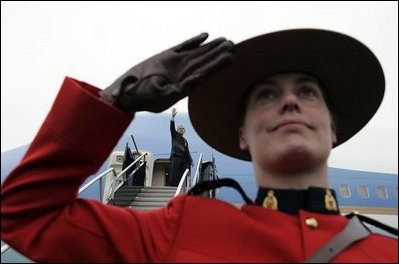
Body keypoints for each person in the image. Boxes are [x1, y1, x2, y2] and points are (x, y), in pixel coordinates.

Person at [0, 30, 397, 263]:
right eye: (266, 96)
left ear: (332, 130)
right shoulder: (180, 227)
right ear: (241, 135)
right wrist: (115, 102)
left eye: (307, 92)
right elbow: (25, 216)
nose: (289, 101)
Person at [168, 107, 193, 186]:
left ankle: (181, 187)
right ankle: (172, 187)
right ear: (177, 130)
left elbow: (187, 151)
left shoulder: (185, 141)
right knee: (174, 173)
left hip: (183, 158)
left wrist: (191, 160)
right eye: (180, 128)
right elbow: (172, 128)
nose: (181, 129)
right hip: (176, 156)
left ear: (184, 131)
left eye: (182, 129)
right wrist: (173, 117)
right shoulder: (175, 135)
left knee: (183, 173)